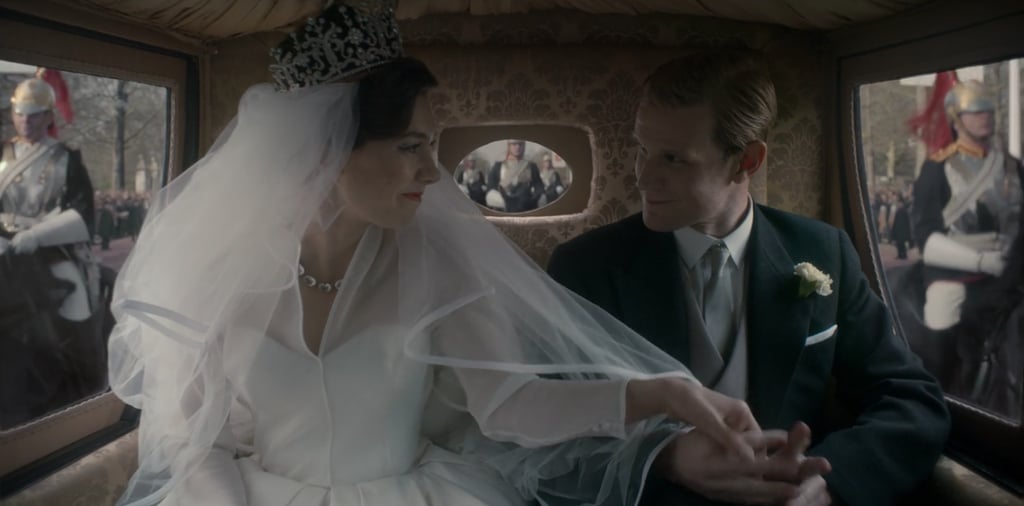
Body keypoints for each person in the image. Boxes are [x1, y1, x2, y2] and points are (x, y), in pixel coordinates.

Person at [108, 4, 777, 506]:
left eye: (433, 145)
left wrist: (669, 392)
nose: (434, 172)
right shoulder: (228, 272)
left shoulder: (437, 261)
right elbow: (203, 446)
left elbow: (511, 406)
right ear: (328, 149)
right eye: (410, 147)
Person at [548, 50, 950, 506]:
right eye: (643, 150)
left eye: (674, 159)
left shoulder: (824, 252)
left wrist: (831, 483)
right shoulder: (585, 268)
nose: (643, 177)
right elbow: (549, 429)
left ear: (748, 161)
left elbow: (910, 400)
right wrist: (664, 457)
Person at [905, 78, 1023, 411]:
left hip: (1012, 268)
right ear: (957, 118)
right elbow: (926, 238)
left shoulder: (1012, 166)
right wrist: (983, 262)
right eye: (975, 111)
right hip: (956, 273)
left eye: (987, 110)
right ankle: (935, 401)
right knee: (940, 318)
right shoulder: (937, 167)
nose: (985, 117)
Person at [0, 76, 103, 428]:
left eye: (33, 115)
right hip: (2, 246)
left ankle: (82, 374)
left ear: (47, 116)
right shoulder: (1, 153)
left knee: (71, 288)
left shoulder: (66, 159)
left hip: (49, 249)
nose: (24, 122)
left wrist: (37, 236)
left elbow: (82, 213)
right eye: (19, 114)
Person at [486, 139, 544, 212]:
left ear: (524, 146)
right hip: (504, 206)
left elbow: (539, 186)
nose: (517, 147)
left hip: (526, 207)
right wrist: (500, 200)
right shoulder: (498, 166)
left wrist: (534, 199)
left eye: (520, 144)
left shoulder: (531, 166)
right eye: (514, 144)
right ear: (509, 146)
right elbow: (491, 187)